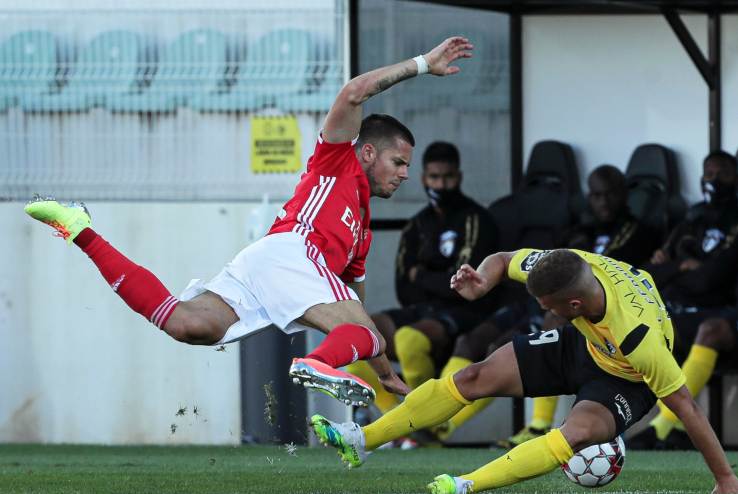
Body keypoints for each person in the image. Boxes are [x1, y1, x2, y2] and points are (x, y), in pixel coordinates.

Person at [23, 36, 474, 408]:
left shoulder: (362, 229)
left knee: (188, 325)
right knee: (362, 334)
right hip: (292, 252)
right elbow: (353, 92)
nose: (404, 174)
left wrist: (382, 370)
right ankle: (315, 365)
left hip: (269, 262)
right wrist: (422, 64)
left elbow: (354, 304)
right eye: (398, 161)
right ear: (369, 151)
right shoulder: (337, 161)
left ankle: (79, 229)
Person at [311, 248, 738, 494]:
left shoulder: (638, 336)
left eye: (547, 305)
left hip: (625, 379)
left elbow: (687, 408)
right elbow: (503, 258)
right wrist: (481, 280)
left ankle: (464, 485)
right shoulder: (568, 266)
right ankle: (361, 439)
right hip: (584, 343)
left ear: (573, 305)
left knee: (575, 433)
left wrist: (725, 479)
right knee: (474, 377)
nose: (541, 310)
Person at [497, 164, 662, 448]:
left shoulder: (641, 232)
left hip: (615, 327)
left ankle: (539, 425)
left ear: (624, 195)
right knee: (490, 343)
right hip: (565, 312)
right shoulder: (579, 230)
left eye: (609, 194)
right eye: (596, 195)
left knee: (555, 322)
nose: (603, 202)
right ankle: (438, 429)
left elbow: (602, 274)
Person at [346, 141, 499, 422]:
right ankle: (399, 421)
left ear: (459, 177)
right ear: (424, 178)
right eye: (434, 177)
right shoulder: (416, 225)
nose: (441, 185)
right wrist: (437, 280)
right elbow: (404, 288)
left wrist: (422, 275)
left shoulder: (476, 220)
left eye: (448, 177)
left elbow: (463, 288)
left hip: (465, 314)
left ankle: (424, 420)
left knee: (409, 338)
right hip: (423, 311)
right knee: (357, 333)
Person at [630, 150, 738, 449]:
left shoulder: (736, 219)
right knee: (644, 329)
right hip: (682, 307)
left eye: (723, 174)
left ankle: (664, 427)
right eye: (709, 173)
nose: (714, 180)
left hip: (718, 311)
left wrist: (681, 270)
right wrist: (679, 265)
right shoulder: (693, 217)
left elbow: (710, 278)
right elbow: (650, 273)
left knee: (707, 329)